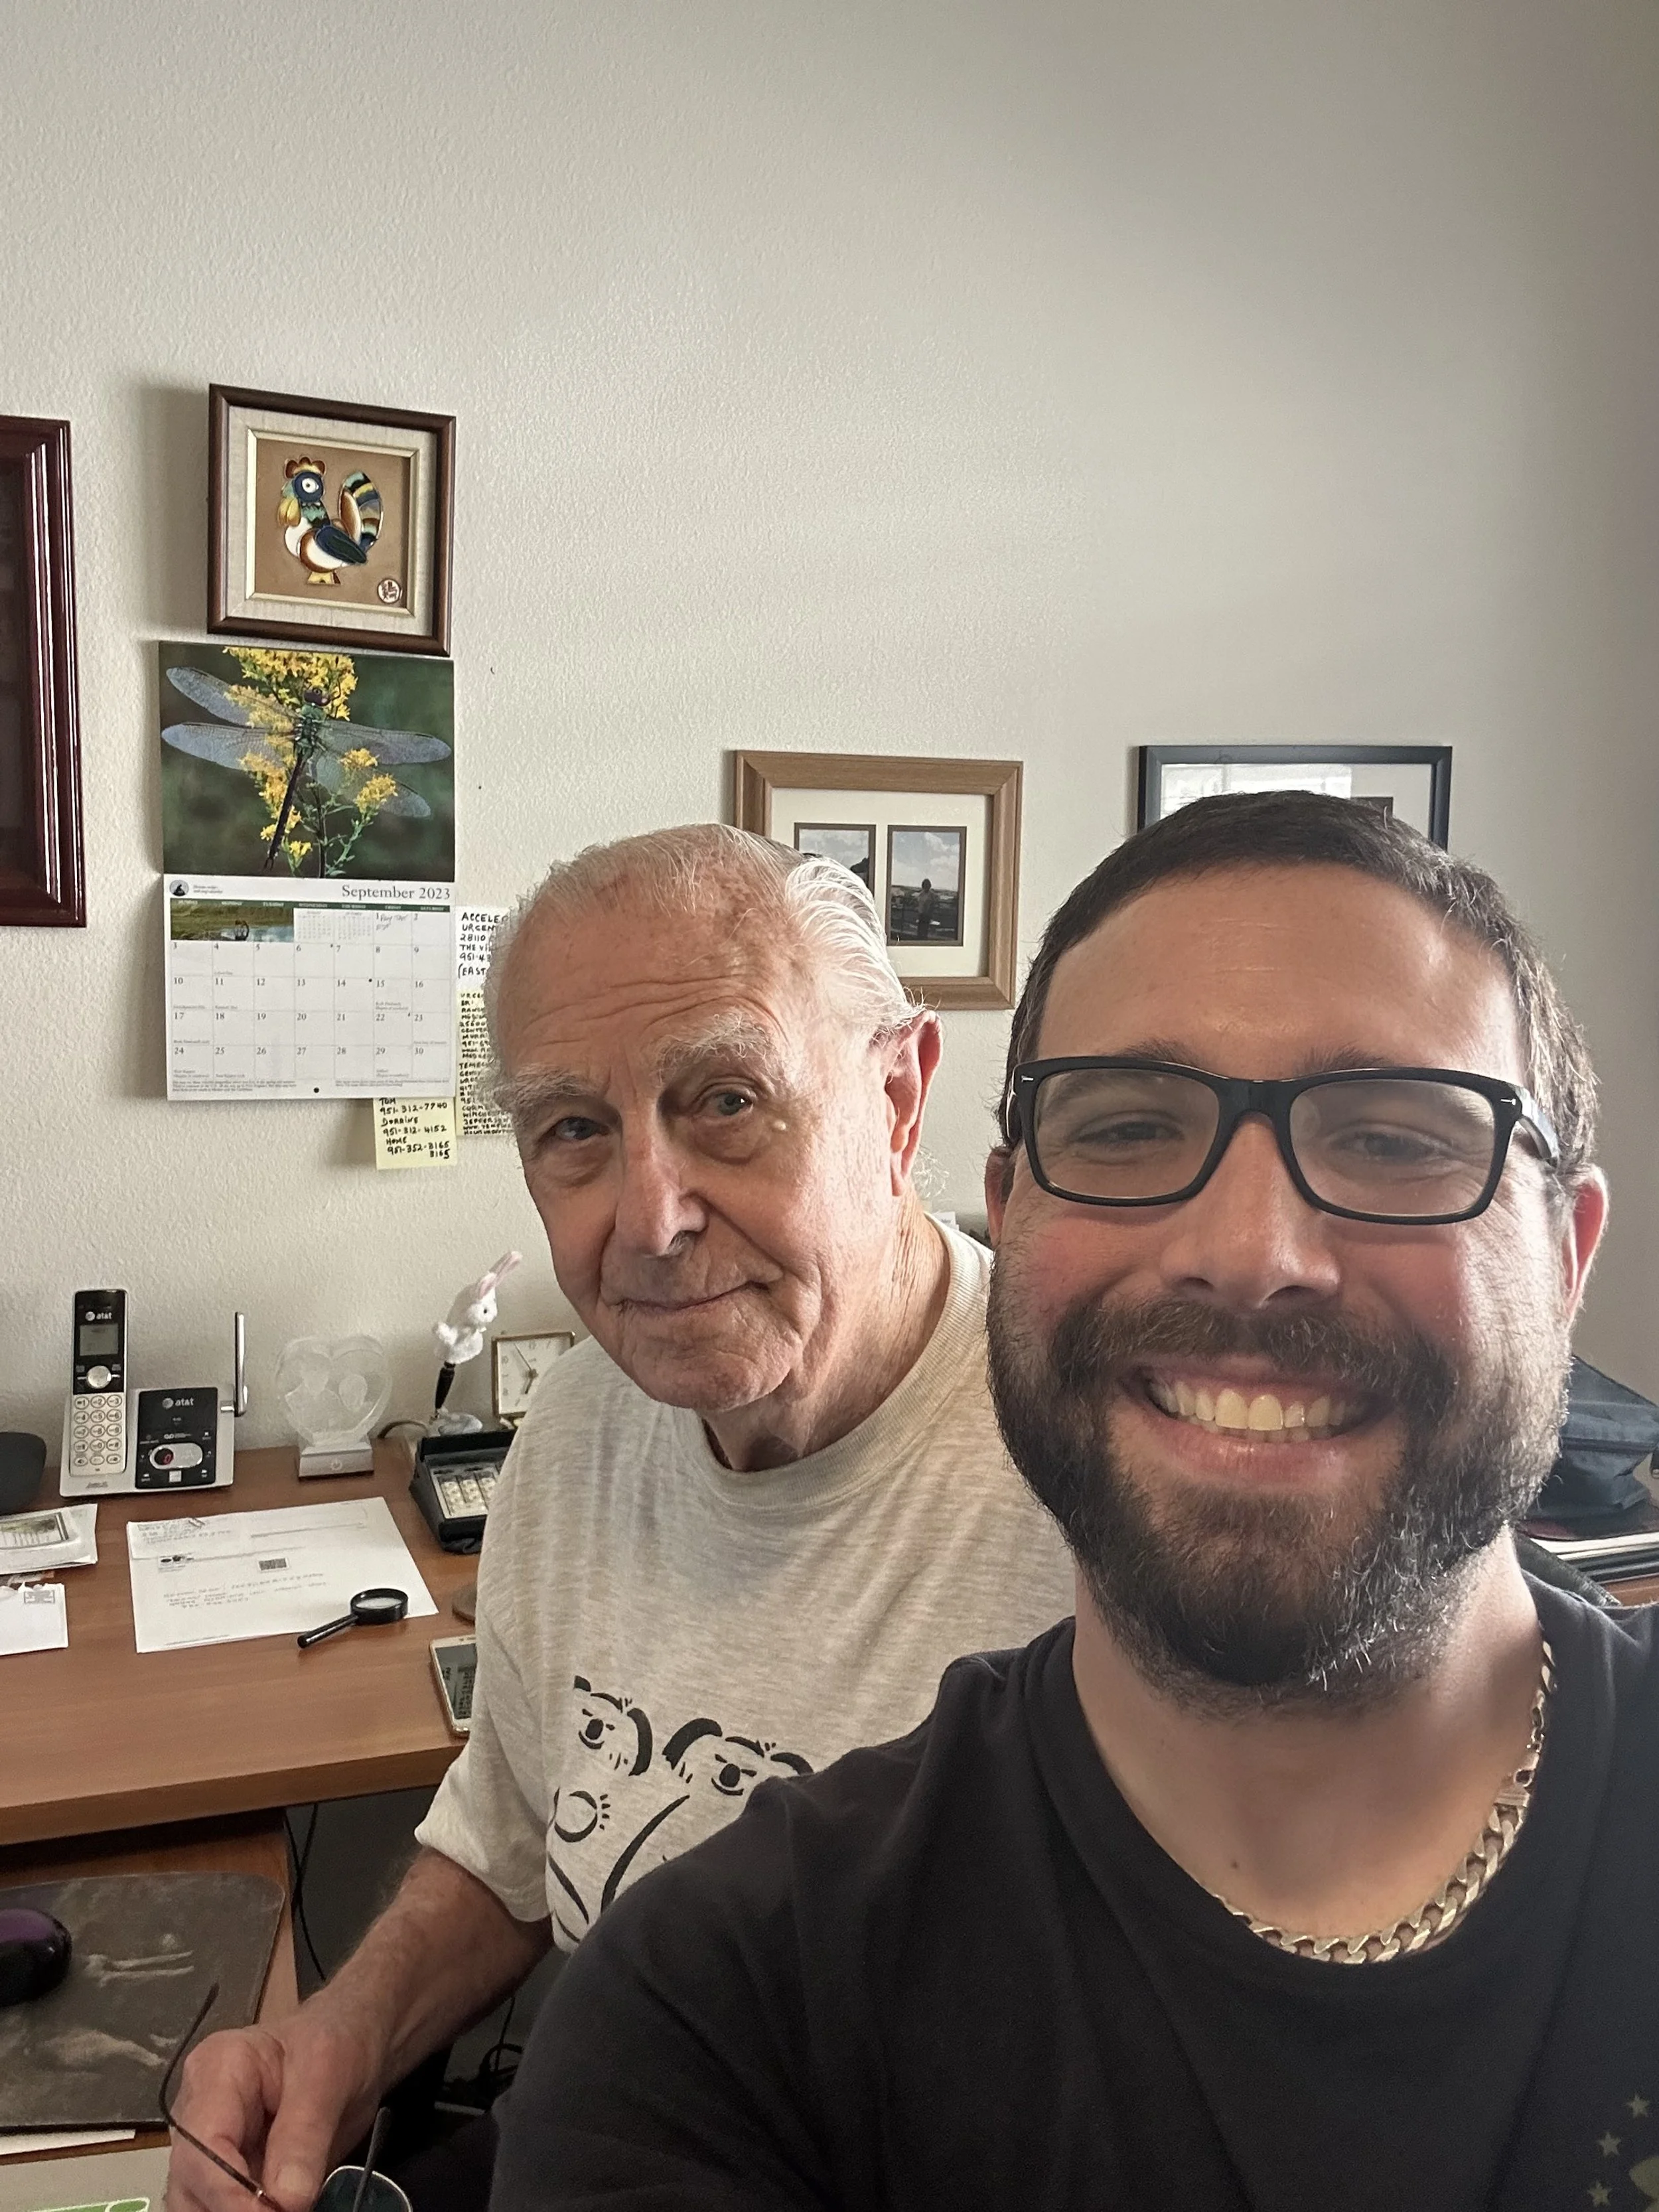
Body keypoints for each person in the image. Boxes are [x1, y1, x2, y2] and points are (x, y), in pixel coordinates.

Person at [490, 792, 1659, 2212]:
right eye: (1128, 1129)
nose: (1249, 1252)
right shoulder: (715, 2006)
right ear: (1011, 1211)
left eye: (1395, 1139)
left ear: (1566, 1255)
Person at [164, 826, 1072, 2212]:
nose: (648, 1220)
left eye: (727, 1100)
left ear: (897, 1100)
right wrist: (340, 2035)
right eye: (574, 1131)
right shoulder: (585, 1421)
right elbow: (512, 1840)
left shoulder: (1093, 1478)